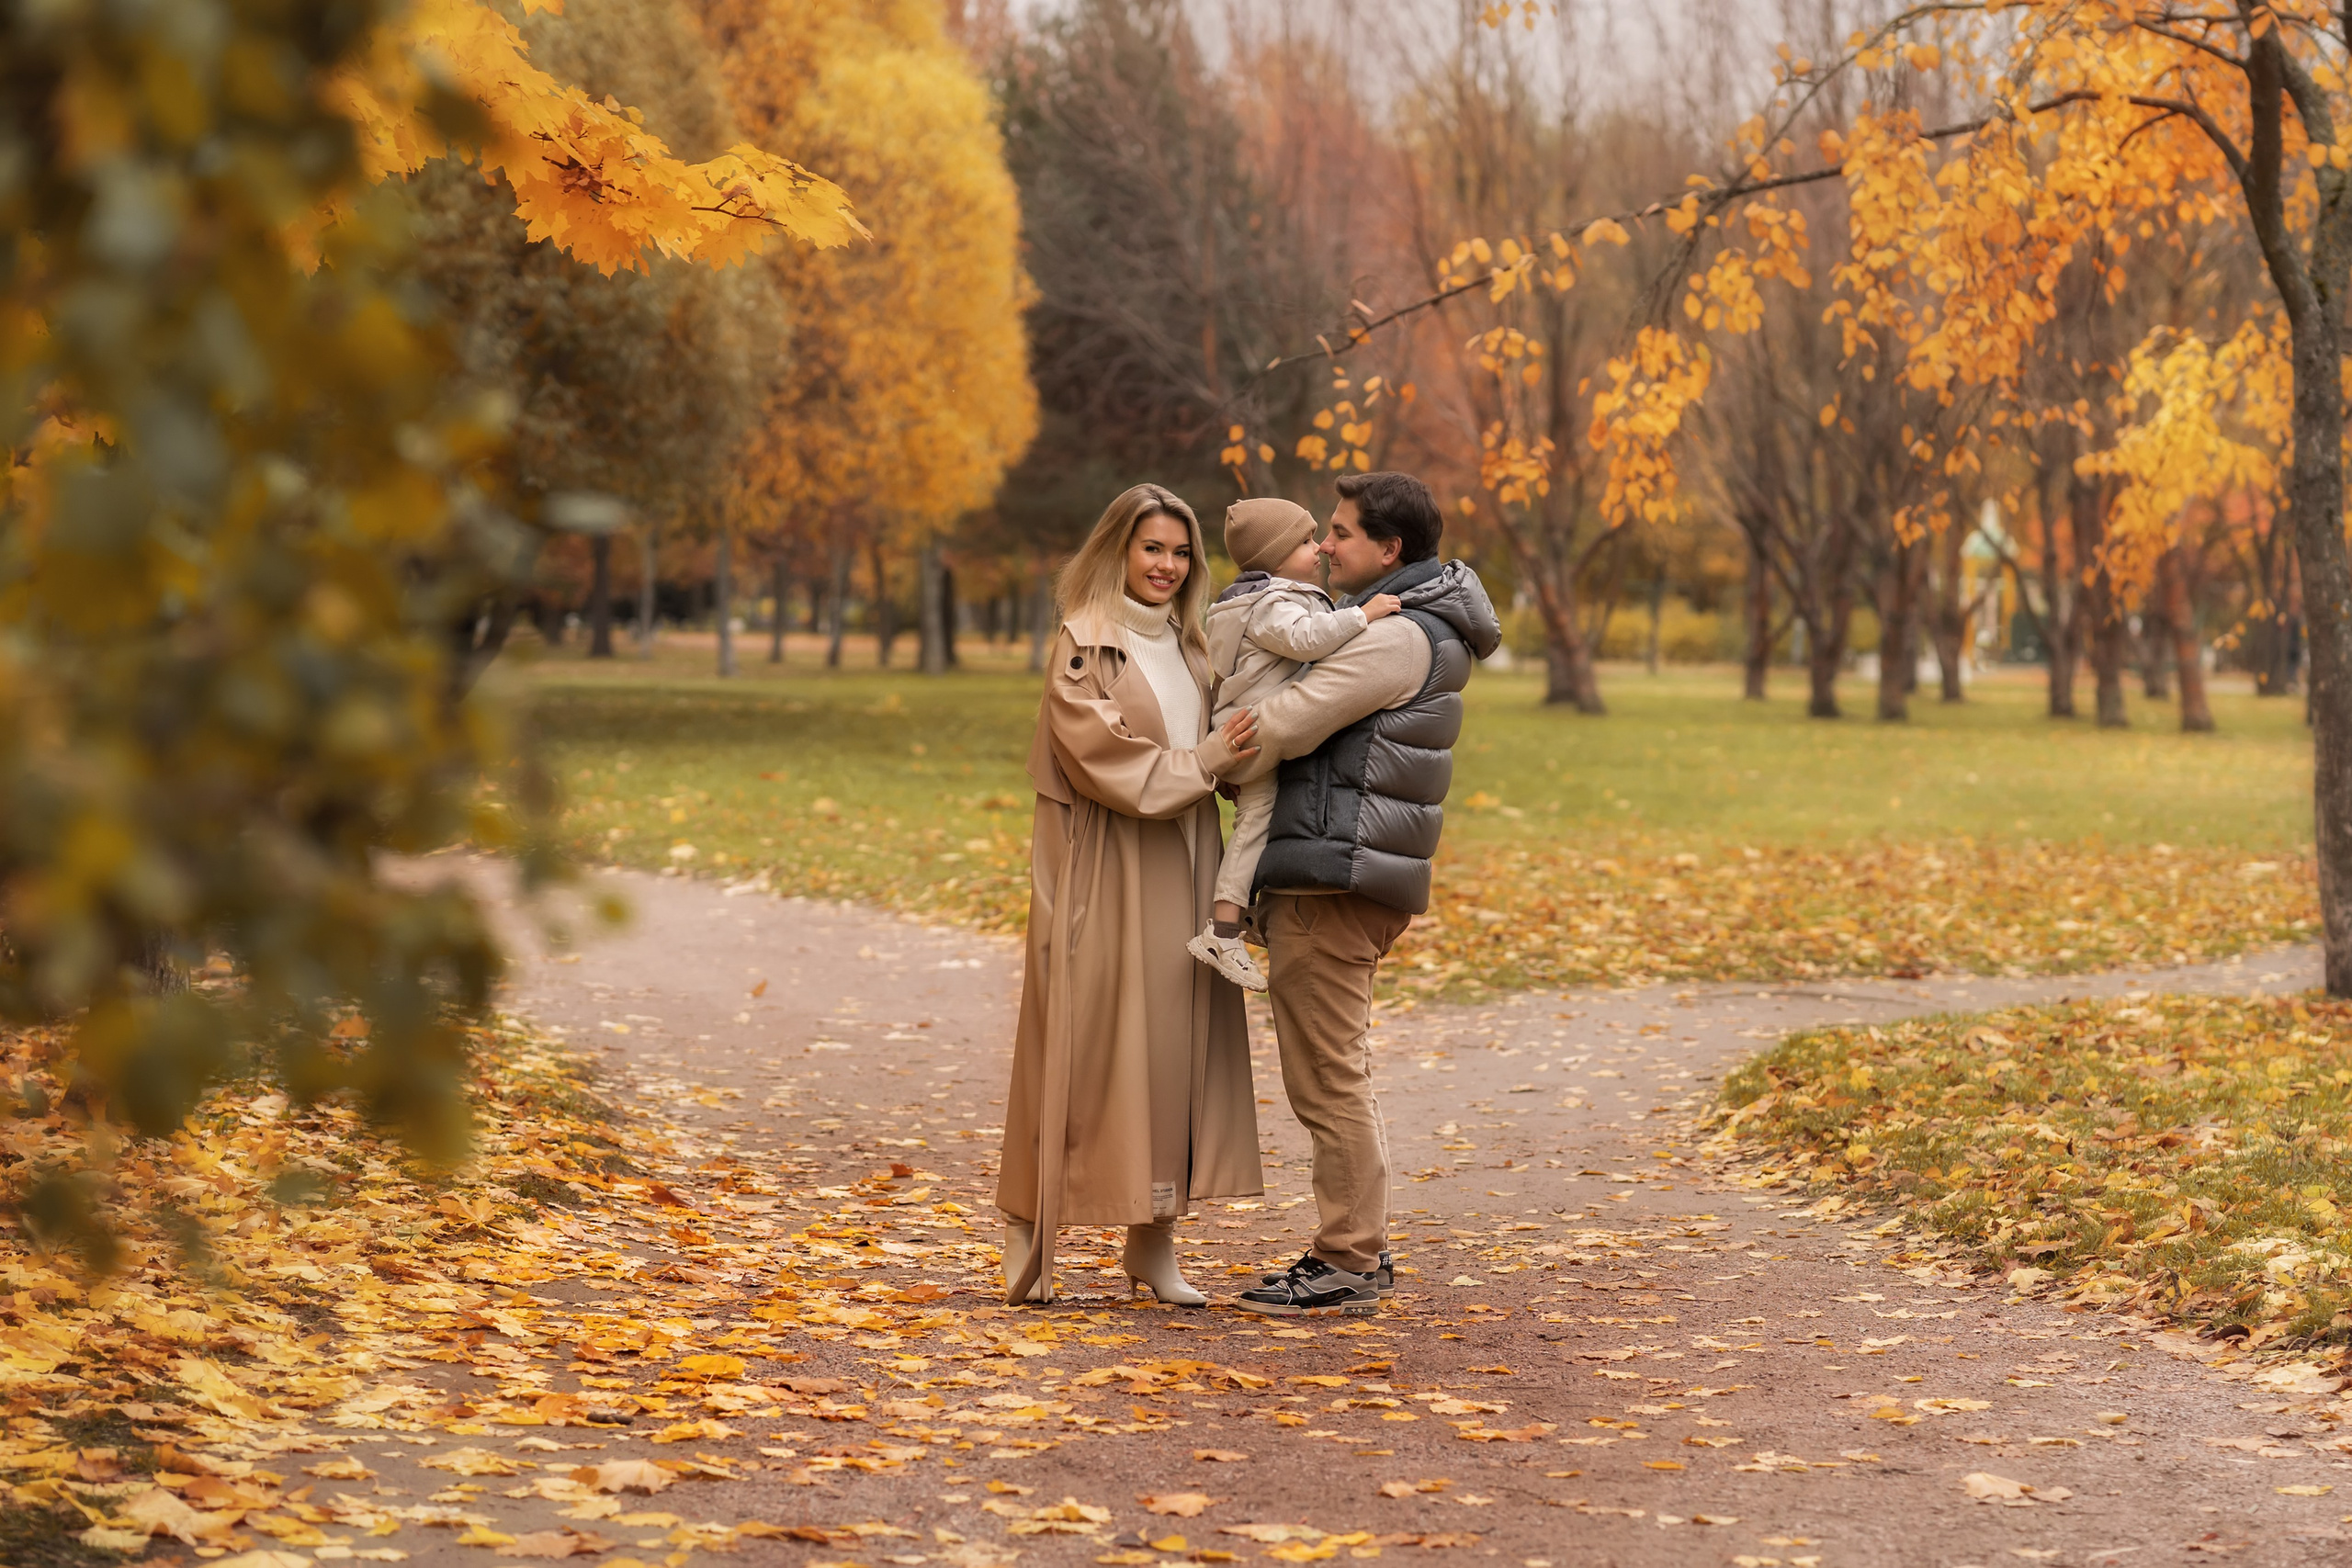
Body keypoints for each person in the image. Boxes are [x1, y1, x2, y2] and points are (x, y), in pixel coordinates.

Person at [1216, 471, 1500, 1317]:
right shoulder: (1414, 626)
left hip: (1334, 878)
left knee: (1327, 1076)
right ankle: (1358, 1250)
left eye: (1340, 532)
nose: (1328, 546)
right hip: (1352, 870)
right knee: (1338, 1068)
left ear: (1391, 550)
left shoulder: (1393, 638)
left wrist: (1208, 756)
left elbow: (1282, 726)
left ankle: (1345, 1257)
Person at [995, 483, 1266, 1306]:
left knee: (1174, 1045)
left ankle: (1154, 1240)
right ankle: (1028, 1222)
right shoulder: (1085, 645)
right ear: (1119, 548)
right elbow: (1104, 762)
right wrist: (1211, 760)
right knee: (1083, 1038)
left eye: (1180, 552)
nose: (1167, 565)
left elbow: (1220, 743)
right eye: (1153, 548)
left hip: (1186, 856)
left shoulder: (1191, 647)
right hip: (1106, 865)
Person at [1188, 497, 1401, 992]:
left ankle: (1236, 920)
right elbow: (1308, 640)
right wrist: (1363, 616)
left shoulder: (1251, 602)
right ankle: (1223, 930)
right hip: (1253, 731)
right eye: (1306, 542)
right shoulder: (1270, 606)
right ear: (1275, 556)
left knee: (1259, 822)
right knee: (1255, 824)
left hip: (1244, 728)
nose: (1319, 549)